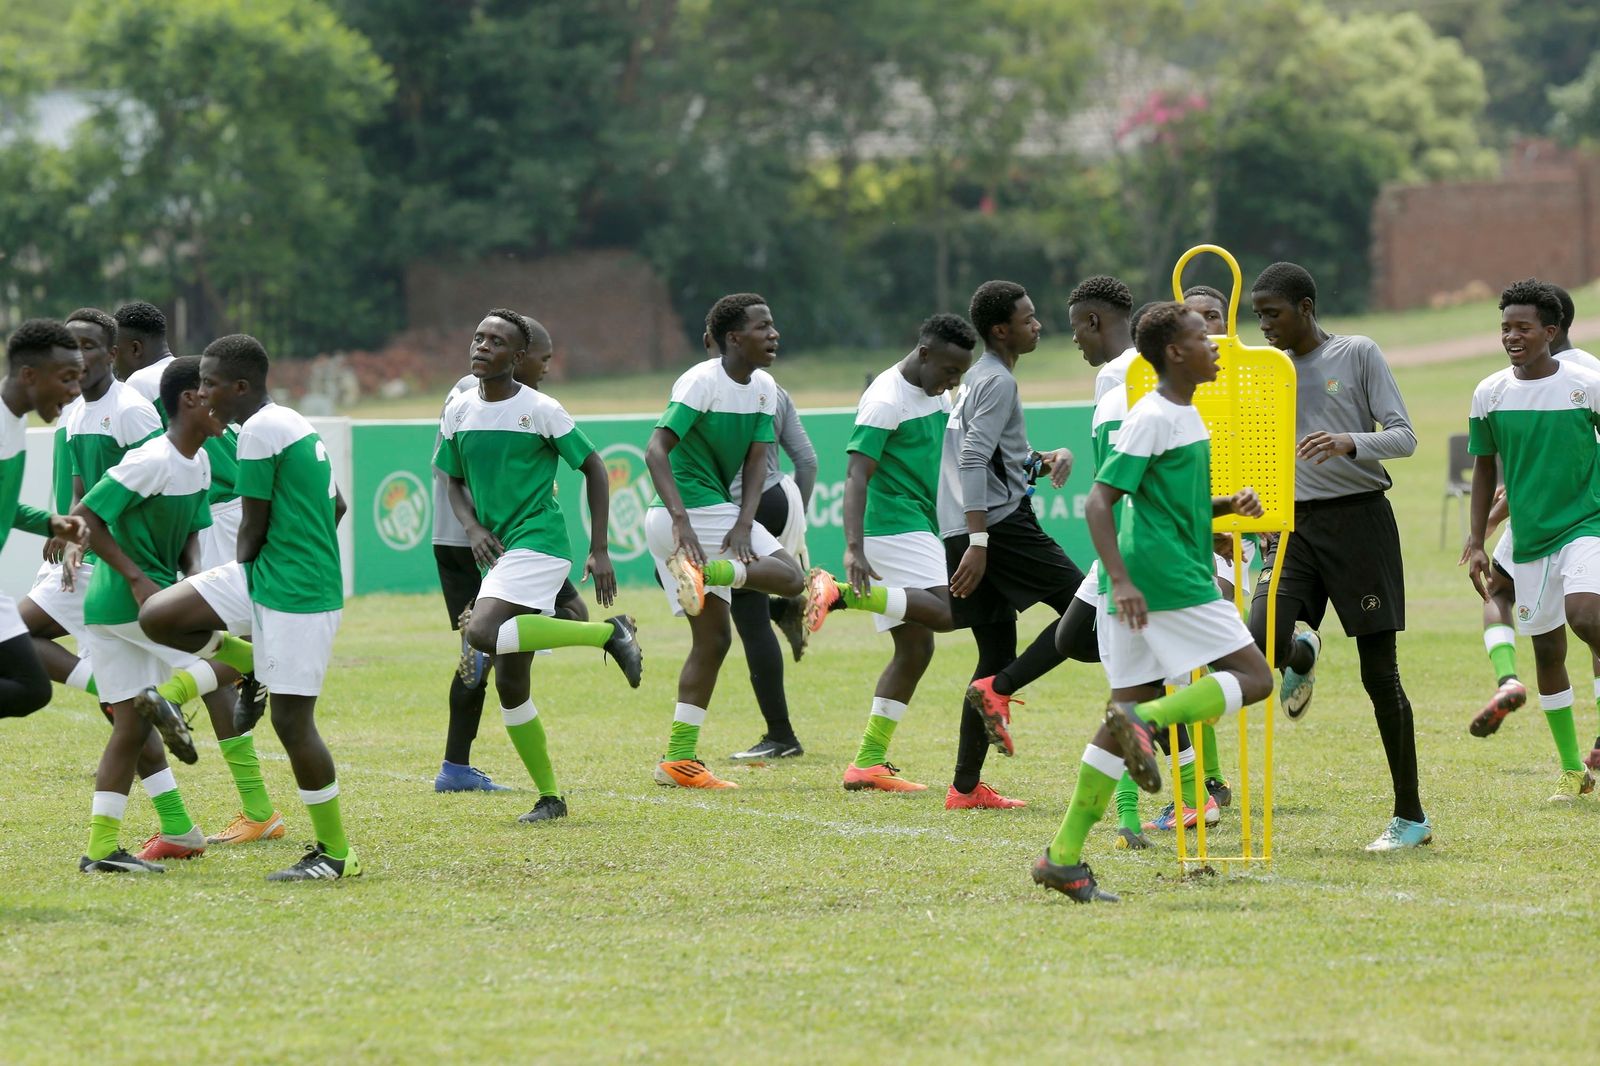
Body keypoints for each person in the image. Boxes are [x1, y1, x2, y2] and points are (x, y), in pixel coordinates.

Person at [1031, 303, 1272, 903]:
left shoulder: (1184, 414)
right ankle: (1149, 723)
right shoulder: (1153, 415)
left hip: (1151, 574)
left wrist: (1222, 506)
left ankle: (1061, 858)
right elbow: (1098, 502)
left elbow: (1165, 502)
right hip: (1165, 577)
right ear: (1173, 352)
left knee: (1121, 714)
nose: (1215, 343)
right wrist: (1124, 580)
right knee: (1255, 676)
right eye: (1201, 336)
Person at [1249, 261, 1427, 852]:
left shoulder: (1358, 353)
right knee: (1261, 640)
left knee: (1381, 676)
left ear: (1305, 306)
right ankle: (1302, 650)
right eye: (1258, 316)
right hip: (1292, 528)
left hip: (1359, 524)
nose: (1265, 325)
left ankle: (1410, 816)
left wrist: (1352, 441)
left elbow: (1403, 436)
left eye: (1272, 313)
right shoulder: (1263, 370)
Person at [437, 309, 641, 824]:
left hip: (541, 543)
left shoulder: (543, 409)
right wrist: (472, 527)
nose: (481, 346)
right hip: (498, 554)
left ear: (519, 357)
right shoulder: (459, 410)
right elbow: (450, 480)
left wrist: (600, 548)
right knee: (511, 685)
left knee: (482, 632)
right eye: (478, 337)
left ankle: (608, 635)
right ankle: (551, 797)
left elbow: (594, 467)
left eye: (496, 341)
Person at [191, 333, 359, 880]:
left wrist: (282, 568)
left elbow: (252, 531)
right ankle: (248, 665)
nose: (202, 391)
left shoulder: (260, 432)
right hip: (275, 578)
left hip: (293, 590)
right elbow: (338, 504)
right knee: (161, 616)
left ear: (240, 386)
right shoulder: (291, 421)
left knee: (292, 723)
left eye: (210, 382)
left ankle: (335, 854)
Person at [73, 357, 232, 872]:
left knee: (128, 731)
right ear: (189, 399)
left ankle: (102, 849)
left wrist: (189, 574)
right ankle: (165, 698)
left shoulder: (201, 460)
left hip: (127, 608)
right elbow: (86, 517)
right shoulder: (151, 459)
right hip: (130, 604)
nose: (224, 405)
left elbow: (191, 533)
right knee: (249, 657)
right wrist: (139, 578)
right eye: (213, 393)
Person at [644, 293, 807, 790]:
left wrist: (745, 523)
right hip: (689, 513)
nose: (773, 335)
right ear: (734, 338)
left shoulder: (764, 386)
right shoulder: (700, 380)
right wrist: (683, 522)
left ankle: (678, 758)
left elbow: (760, 460)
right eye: (763, 327)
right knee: (792, 577)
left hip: (717, 514)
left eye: (773, 325)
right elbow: (655, 450)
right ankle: (707, 573)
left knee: (714, 640)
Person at [429, 313, 593, 793]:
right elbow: (456, 471)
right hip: (484, 538)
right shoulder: (475, 391)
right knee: (498, 636)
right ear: (522, 356)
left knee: (518, 633)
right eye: (543, 360)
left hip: (493, 535)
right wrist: (480, 523)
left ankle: (456, 766)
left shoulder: (506, 395)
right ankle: (458, 762)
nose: (545, 369)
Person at [938, 279, 1081, 810]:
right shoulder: (997, 382)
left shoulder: (977, 379)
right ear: (1001, 330)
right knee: (1089, 612)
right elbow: (975, 459)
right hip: (995, 529)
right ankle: (1000, 688)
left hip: (968, 527)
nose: (1037, 324)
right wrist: (980, 541)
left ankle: (965, 788)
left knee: (994, 649)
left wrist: (1044, 460)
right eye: (1028, 318)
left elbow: (993, 458)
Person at [1464, 280, 1600, 803]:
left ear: (1552, 331)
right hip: (1531, 533)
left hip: (1586, 522)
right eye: (1505, 328)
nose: (1511, 336)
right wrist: (1477, 539)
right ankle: (1573, 770)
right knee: (1547, 648)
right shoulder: (1490, 392)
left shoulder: (1585, 384)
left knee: (1588, 615)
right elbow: (1482, 470)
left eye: (1522, 328)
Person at [828, 313, 975, 792]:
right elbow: (855, 475)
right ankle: (842, 595)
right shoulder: (885, 399)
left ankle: (867, 763)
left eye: (960, 374)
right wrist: (853, 548)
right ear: (924, 353)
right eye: (949, 370)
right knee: (949, 612)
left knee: (915, 648)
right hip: (892, 524)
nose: (953, 382)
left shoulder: (939, 391)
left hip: (918, 521)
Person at [725, 376, 816, 762]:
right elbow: (807, 462)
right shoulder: (775, 389)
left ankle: (781, 734)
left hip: (739, 506)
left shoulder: (706, 388)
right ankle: (779, 607)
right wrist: (797, 513)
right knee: (740, 599)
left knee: (747, 616)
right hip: (783, 499)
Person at [0, 320, 85, 718]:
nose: (75, 390)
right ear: (29, 375)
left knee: (32, 688)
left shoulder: (14, 421)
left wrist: (51, 523)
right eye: (67, 378)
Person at [114, 301, 177, 416]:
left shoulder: (138, 382)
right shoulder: (188, 372)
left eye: (116, 351)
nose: (113, 361)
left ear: (135, 349)